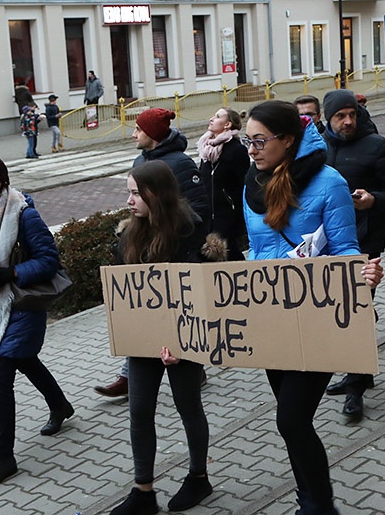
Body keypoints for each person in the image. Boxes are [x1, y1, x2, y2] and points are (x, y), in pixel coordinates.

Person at [242, 100, 383, 515]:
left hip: (315, 319)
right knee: (293, 424)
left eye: (259, 140)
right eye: (247, 140)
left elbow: (345, 250)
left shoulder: (329, 182)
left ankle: (319, 505)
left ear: (287, 140)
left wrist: (365, 277)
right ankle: (310, 499)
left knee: (291, 420)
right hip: (270, 317)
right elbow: (256, 249)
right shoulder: (253, 182)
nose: (251, 149)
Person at [108, 161, 225, 515]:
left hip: (184, 340)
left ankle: (198, 477)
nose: (129, 201)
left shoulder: (189, 231)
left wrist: (181, 342)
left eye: (134, 193)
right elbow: (124, 291)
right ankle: (143, 490)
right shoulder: (129, 235)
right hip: (144, 342)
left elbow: (200, 294)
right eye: (128, 192)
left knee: (188, 405)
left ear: (155, 194)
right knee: (140, 409)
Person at [0, 153, 74, 485]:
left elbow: (48, 261)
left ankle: (4, 457)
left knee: (1, 375)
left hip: (23, 303)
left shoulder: (24, 215)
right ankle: (60, 404)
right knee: (25, 359)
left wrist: (9, 272)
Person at [94, 108, 213, 399]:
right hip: (147, 252)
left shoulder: (180, 164)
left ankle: (192, 367)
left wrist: (175, 235)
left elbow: (198, 207)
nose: (134, 134)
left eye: (138, 129)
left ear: (153, 134)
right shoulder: (141, 161)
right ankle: (130, 374)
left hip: (171, 251)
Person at [320, 90, 385, 422]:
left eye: (352, 114)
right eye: (340, 116)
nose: (348, 121)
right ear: (328, 118)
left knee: (355, 309)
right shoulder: (316, 148)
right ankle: (362, 372)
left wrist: (373, 200)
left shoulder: (377, 146)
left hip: (365, 242)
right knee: (346, 309)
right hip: (325, 244)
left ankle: (355, 391)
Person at [197, 107, 249, 260]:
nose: (212, 119)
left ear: (227, 125)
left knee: (229, 253)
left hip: (228, 215)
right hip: (208, 214)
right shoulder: (206, 149)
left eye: (218, 116)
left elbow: (242, 185)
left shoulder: (237, 150)